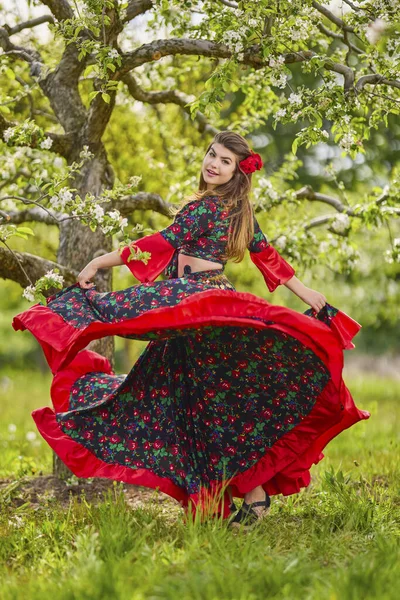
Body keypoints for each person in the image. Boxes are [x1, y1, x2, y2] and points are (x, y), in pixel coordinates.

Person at [13, 131, 369, 528]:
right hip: (198, 309)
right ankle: (246, 495)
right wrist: (305, 292)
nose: (213, 164)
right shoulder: (236, 211)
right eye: (212, 155)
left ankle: (245, 494)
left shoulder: (212, 209)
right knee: (196, 406)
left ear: (237, 173)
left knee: (178, 388)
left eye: (225, 162)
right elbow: (266, 255)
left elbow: (161, 243)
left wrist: (99, 262)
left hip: (196, 305)